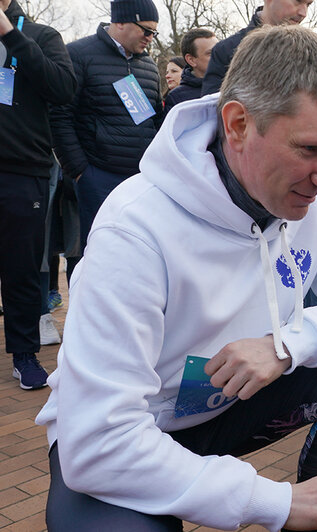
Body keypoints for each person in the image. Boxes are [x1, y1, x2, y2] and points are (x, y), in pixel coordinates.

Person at [36, 25, 317, 532]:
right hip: (127, 435)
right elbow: (99, 444)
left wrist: (286, 345)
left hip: (225, 409)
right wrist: (274, 502)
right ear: (236, 124)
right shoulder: (136, 227)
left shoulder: (313, 200)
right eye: (308, 150)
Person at [0, 0, 75, 389]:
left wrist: (11, 36)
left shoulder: (41, 35)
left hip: (21, 170)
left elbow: (62, 88)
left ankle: (24, 354)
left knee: (22, 268)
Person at [50, 0, 163, 254]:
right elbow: (60, 116)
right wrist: (80, 172)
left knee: (137, 252)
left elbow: (155, 120)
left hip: (140, 179)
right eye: (146, 30)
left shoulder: (149, 66)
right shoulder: (78, 55)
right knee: (97, 253)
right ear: (120, 21)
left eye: (154, 32)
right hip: (98, 176)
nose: (150, 38)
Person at [201, 0, 313, 95]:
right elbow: (213, 111)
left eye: (308, 4)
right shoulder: (226, 50)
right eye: (298, 1)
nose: (303, 13)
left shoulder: (310, 52)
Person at [164, 28, 217, 114]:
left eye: (219, 51)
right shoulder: (177, 98)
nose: (218, 56)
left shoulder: (231, 85)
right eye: (210, 53)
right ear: (191, 60)